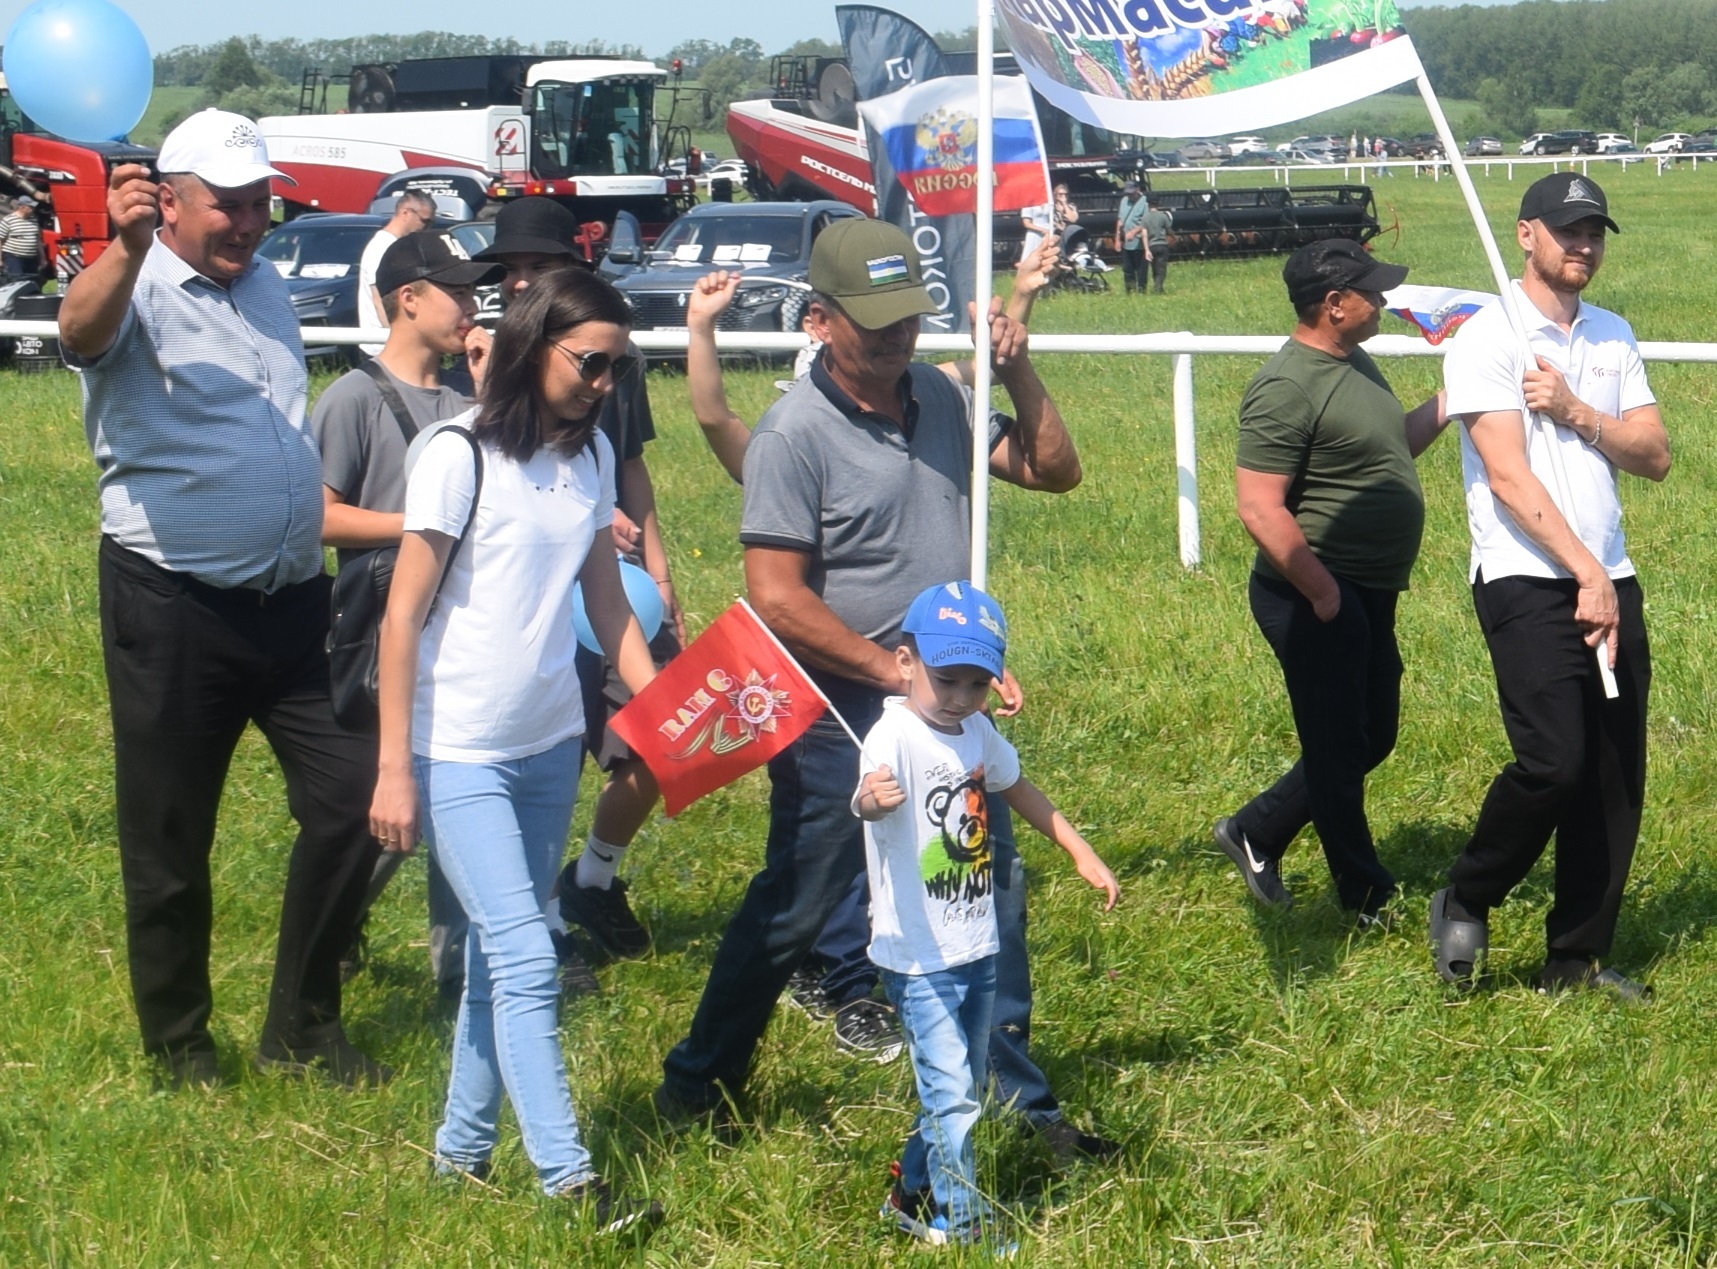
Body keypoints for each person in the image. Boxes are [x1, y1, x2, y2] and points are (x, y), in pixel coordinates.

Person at [656, 218, 1116, 1166]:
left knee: (985, 883)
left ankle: (1015, 1102)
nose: (896, 341)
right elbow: (775, 595)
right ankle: (700, 1077)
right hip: (836, 713)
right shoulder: (792, 434)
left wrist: (1018, 371)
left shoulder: (942, 399)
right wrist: (897, 676)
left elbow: (1055, 471)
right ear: (819, 321)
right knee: (799, 897)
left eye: (908, 319)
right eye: (873, 326)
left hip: (940, 695)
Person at [58, 109, 385, 1089]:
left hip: (291, 605)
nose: (247, 225)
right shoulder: (136, 279)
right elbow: (78, 331)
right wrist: (123, 246)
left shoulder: (267, 284)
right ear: (170, 200)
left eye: (258, 205)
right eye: (226, 208)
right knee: (170, 838)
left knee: (357, 798)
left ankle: (303, 1023)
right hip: (173, 603)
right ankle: (180, 1046)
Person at [367, 267, 664, 1235]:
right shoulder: (457, 455)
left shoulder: (587, 462)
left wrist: (662, 712)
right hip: (457, 753)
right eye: (590, 363)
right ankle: (570, 1182)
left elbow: (608, 606)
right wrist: (393, 768)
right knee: (531, 959)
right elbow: (401, 616)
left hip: (544, 751)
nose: (602, 383)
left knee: (504, 965)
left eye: (616, 368)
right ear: (536, 347)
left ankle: (459, 1156)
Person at [1430, 172, 1669, 999]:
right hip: (1525, 575)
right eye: (1567, 230)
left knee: (1611, 773)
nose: (1583, 246)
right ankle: (1466, 892)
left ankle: (1574, 957)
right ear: (1524, 234)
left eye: (1594, 231)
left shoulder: (1611, 334)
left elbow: (1654, 455)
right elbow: (1504, 476)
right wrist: (1584, 572)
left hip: (1611, 572)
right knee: (1553, 762)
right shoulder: (1484, 338)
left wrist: (1574, 411)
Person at [862, 581, 1119, 1250]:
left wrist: (1078, 849)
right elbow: (865, 794)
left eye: (976, 684)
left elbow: (1017, 787)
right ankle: (964, 1218)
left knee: (962, 1082)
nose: (959, 697)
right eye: (946, 679)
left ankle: (907, 1194)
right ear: (904, 662)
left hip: (975, 942)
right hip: (917, 956)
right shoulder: (891, 733)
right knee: (951, 1093)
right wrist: (870, 797)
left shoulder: (975, 730)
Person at [475, 198, 686, 973]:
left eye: (537, 267)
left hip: (610, 589)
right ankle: (532, 926)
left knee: (651, 741)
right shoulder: (479, 373)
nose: (521, 281)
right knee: (535, 762)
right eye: (510, 272)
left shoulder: (606, 360)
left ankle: (588, 883)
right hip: (521, 614)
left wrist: (656, 569)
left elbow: (627, 461)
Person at [1215, 239, 1449, 926]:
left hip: (1364, 587)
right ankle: (1363, 895)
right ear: (1333, 304)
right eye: (1370, 292)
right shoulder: (1286, 385)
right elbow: (1258, 505)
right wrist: (1322, 594)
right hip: (1312, 590)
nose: (1382, 302)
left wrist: (1451, 399)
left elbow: (1385, 448)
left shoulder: (1352, 361)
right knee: (1337, 745)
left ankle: (1255, 830)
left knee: (1370, 733)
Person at [312, 229, 502, 997]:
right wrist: (424, 526)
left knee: (456, 797)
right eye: (456, 290)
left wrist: (493, 399)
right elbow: (320, 516)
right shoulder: (352, 398)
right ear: (408, 299)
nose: (472, 305)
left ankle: (457, 974)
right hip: (382, 633)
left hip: (459, 637)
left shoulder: (466, 399)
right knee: (382, 810)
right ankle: (331, 926)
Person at [356, 189, 436, 356]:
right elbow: (378, 297)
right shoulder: (382, 247)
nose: (427, 228)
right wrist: (397, 339)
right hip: (381, 348)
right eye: (424, 221)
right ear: (405, 212)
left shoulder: (397, 245)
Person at [1115, 179, 1149, 296]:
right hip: (1126, 243)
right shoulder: (1124, 201)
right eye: (1127, 193)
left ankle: (1141, 291)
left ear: (1137, 190)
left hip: (1139, 243)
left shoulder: (1145, 202)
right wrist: (1117, 239)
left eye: (1131, 193)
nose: (1129, 196)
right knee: (1127, 270)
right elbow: (1120, 221)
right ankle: (1130, 292)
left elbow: (1146, 222)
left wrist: (1134, 232)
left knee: (1141, 270)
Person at [1139, 194, 1174, 296]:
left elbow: (1144, 235)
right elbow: (1169, 229)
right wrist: (1174, 237)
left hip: (1151, 246)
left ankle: (1157, 286)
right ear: (1158, 203)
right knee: (1161, 269)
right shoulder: (1163, 216)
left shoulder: (1145, 218)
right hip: (1162, 245)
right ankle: (1158, 287)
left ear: (1148, 204)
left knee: (1154, 268)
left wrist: (1146, 250)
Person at [0, 196, 42, 278]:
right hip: (13, 258)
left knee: (32, 281)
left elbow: (38, 240)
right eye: (31, 207)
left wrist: (43, 259)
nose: (33, 209)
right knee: (16, 280)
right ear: (22, 207)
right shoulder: (9, 220)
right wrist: (0, 260)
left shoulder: (33, 220)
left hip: (31, 258)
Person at [1019, 197, 1052, 265]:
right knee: (1030, 256)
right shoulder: (1027, 204)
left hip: (1048, 233)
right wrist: (1042, 229)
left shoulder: (1048, 202)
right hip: (1034, 234)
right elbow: (1026, 223)